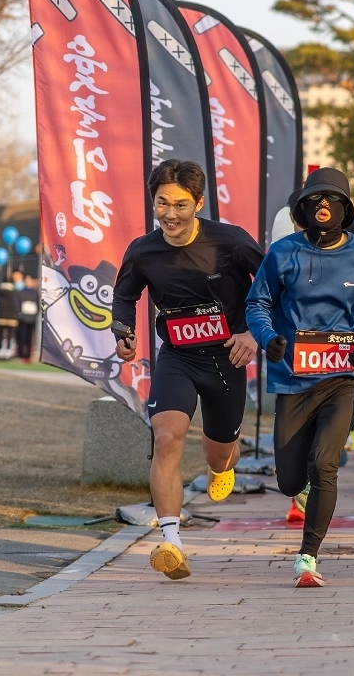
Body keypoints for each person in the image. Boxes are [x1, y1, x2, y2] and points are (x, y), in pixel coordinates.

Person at [111, 159, 264, 582]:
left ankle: (222, 465)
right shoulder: (143, 250)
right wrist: (123, 331)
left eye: (180, 204)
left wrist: (252, 332)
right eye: (162, 203)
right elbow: (125, 296)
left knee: (219, 452)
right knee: (166, 437)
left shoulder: (230, 241)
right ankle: (171, 541)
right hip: (177, 357)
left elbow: (272, 282)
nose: (170, 214)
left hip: (227, 359)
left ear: (198, 203)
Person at [246, 167, 354, 587]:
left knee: (323, 464)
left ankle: (308, 557)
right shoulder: (282, 254)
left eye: (332, 200)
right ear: (303, 209)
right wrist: (269, 338)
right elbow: (256, 303)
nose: (324, 207)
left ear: (346, 209)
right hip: (293, 376)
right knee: (290, 479)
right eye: (315, 201)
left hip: (344, 374)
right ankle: (304, 494)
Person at [15, 271, 40, 362]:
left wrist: (36, 313)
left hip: (31, 318)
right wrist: (19, 313)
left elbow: (38, 304)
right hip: (23, 317)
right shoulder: (21, 292)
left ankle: (28, 355)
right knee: (22, 336)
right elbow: (17, 303)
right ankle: (21, 354)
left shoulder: (35, 293)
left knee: (29, 337)